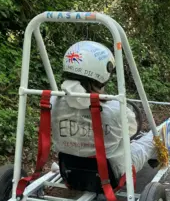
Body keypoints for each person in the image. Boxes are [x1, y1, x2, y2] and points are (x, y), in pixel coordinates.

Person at [50, 41, 156, 180]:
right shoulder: (115, 108)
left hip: (70, 170)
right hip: (112, 172)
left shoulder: (52, 101)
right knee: (152, 138)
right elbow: (132, 131)